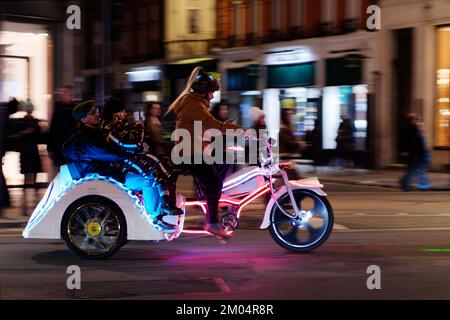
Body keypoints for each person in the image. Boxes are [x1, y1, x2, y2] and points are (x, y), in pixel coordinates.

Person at [63, 101, 177, 233]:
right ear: (83, 119)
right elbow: (112, 155)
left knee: (149, 174)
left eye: (97, 111)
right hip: (105, 177)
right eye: (93, 113)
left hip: (104, 175)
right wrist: (136, 150)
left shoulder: (88, 135)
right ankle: (155, 219)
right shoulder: (87, 139)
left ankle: (158, 212)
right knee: (149, 179)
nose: (97, 114)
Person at [165, 67, 241, 239]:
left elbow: (209, 127)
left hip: (196, 150)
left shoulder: (197, 103)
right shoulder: (194, 104)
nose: (213, 96)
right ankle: (212, 223)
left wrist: (226, 127)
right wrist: (240, 130)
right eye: (211, 92)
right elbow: (212, 124)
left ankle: (211, 195)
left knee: (226, 160)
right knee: (214, 182)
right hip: (189, 153)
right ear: (204, 91)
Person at [100, 97, 182, 219]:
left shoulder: (119, 126)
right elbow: (130, 144)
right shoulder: (110, 130)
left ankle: (165, 203)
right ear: (114, 114)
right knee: (155, 168)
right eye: (121, 112)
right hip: (120, 163)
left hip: (127, 159)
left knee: (161, 164)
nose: (124, 114)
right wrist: (140, 127)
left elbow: (133, 142)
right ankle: (156, 212)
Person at [16, 100, 43, 216]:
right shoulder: (26, 122)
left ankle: (30, 205)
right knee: (28, 180)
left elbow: (38, 136)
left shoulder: (31, 122)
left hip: (30, 152)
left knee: (30, 181)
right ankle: (26, 206)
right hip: (29, 152)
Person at [48, 86, 76, 178]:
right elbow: (53, 129)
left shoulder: (71, 109)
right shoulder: (59, 109)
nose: (62, 95)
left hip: (67, 144)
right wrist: (50, 147)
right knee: (60, 169)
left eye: (65, 93)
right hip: (60, 144)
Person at [399, 113, 432, 191]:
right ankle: (405, 183)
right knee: (414, 170)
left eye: (417, 119)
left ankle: (421, 185)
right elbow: (405, 141)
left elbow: (421, 142)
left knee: (418, 170)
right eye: (415, 119)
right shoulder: (408, 129)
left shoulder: (415, 129)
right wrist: (404, 151)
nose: (416, 121)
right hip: (414, 154)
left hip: (420, 153)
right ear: (410, 120)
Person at [0, 98, 19, 214]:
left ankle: (4, 200)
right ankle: (4, 200)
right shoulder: (4, 113)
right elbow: (3, 135)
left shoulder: (3, 111)